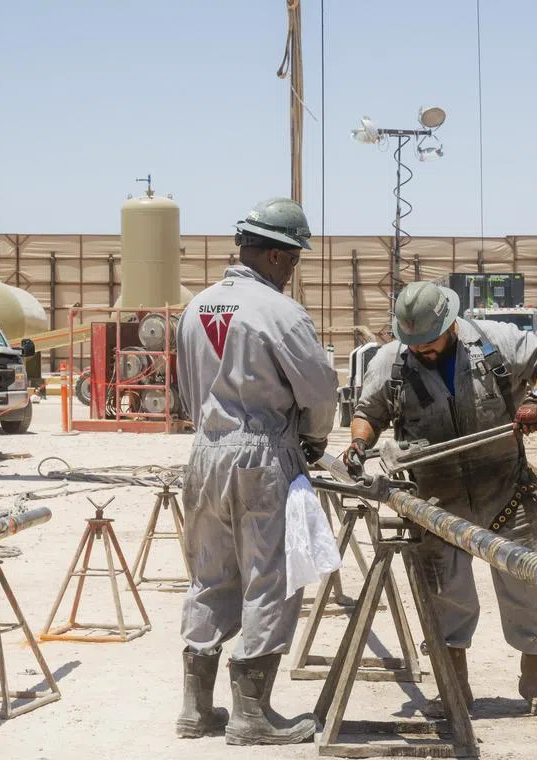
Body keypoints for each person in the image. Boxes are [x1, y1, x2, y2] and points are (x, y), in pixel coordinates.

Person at [341, 281, 537, 716]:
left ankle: (536, 680)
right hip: (437, 498)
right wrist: (357, 444)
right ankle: (454, 687)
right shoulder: (392, 362)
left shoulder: (493, 342)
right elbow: (368, 414)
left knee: (529, 587)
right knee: (445, 595)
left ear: (449, 325)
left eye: (429, 342)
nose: (422, 351)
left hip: (506, 490)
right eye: (414, 344)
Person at [174, 197, 337, 745]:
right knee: (273, 576)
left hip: (204, 453)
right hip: (261, 453)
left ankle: (196, 710)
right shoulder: (280, 312)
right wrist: (312, 441)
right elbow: (318, 390)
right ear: (272, 256)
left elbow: (183, 393)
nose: (291, 271)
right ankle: (252, 716)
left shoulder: (195, 307)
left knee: (210, 575)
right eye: (290, 261)